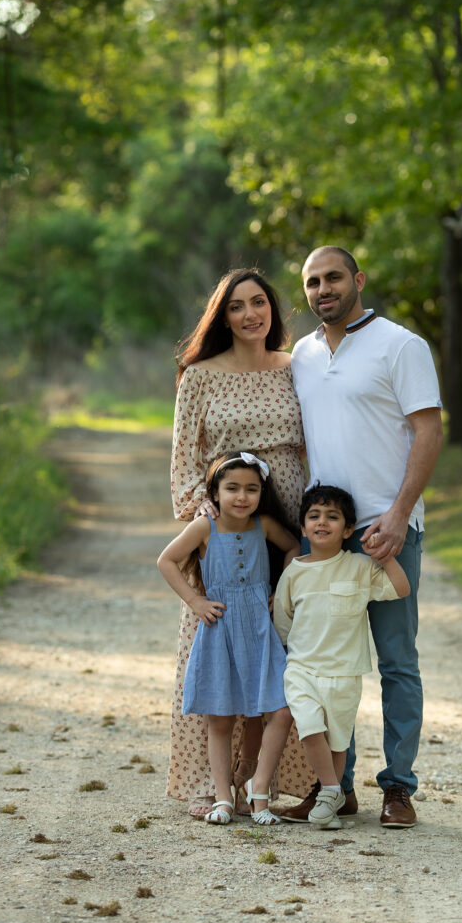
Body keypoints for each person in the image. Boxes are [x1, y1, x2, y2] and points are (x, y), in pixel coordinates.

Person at [283, 245, 443, 828]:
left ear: (358, 280)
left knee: (397, 662)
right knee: (325, 667)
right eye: (312, 282)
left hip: (387, 531)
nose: (323, 289)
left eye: (333, 277)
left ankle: (398, 789)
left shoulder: (401, 345)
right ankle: (335, 787)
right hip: (327, 535)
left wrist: (400, 513)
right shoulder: (300, 355)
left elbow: (428, 429)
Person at [167, 268, 314, 817]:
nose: (250, 314)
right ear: (221, 316)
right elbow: (184, 463)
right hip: (229, 525)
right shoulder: (199, 376)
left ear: (273, 309)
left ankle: (279, 781)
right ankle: (217, 786)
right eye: (236, 306)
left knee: (286, 651)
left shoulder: (295, 368)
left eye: (259, 302)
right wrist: (200, 515)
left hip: (288, 526)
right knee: (219, 644)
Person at [158, 451, 299, 825]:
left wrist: (280, 591)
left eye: (251, 489)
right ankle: (222, 797)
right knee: (219, 719)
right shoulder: (205, 526)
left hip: (258, 629)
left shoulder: (264, 525)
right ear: (215, 492)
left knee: (275, 709)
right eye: (232, 488)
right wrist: (195, 601)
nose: (242, 496)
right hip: (219, 629)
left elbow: (292, 548)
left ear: (261, 493)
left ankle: (254, 789)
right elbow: (166, 561)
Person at [273, 485, 409, 829]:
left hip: (345, 673)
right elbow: (283, 621)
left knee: (337, 740)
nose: (322, 522)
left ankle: (329, 801)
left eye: (332, 517)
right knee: (309, 725)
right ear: (302, 528)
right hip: (302, 668)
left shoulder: (360, 568)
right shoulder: (294, 571)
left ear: (348, 530)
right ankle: (333, 788)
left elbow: (400, 589)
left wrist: (384, 556)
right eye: (314, 516)